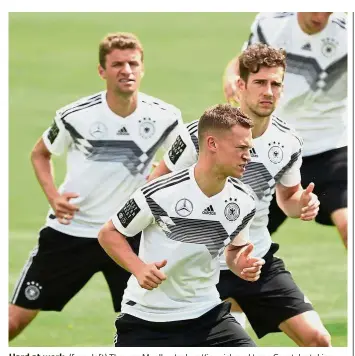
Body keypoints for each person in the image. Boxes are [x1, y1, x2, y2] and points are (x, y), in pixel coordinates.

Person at [150, 43, 331, 346]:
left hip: (255, 258)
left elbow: (287, 199)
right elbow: (153, 190)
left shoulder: (288, 141)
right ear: (240, 86)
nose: (268, 91)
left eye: (276, 84)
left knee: (318, 340)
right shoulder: (200, 134)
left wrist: (301, 204)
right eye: (260, 83)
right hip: (199, 267)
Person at [9, 32, 184, 341]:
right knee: (15, 320)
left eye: (133, 63)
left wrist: (159, 176)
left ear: (142, 68)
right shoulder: (75, 116)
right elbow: (40, 153)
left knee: (152, 329)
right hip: (72, 232)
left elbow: (184, 161)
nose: (126, 70)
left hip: (128, 235)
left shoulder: (165, 117)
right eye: (117, 64)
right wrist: (53, 196)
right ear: (102, 71)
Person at [98, 104, 265, 347]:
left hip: (205, 314)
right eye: (241, 148)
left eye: (249, 148)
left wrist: (242, 264)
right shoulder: (159, 192)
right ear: (212, 144)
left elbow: (234, 251)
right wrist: (139, 268)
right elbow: (108, 233)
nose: (247, 156)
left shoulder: (245, 199)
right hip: (147, 318)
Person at [223, 12, 348, 248]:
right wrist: (231, 77)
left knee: (348, 225)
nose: (321, 16)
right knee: (235, 237)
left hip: (332, 148)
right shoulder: (271, 22)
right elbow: (242, 62)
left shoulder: (347, 30)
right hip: (275, 148)